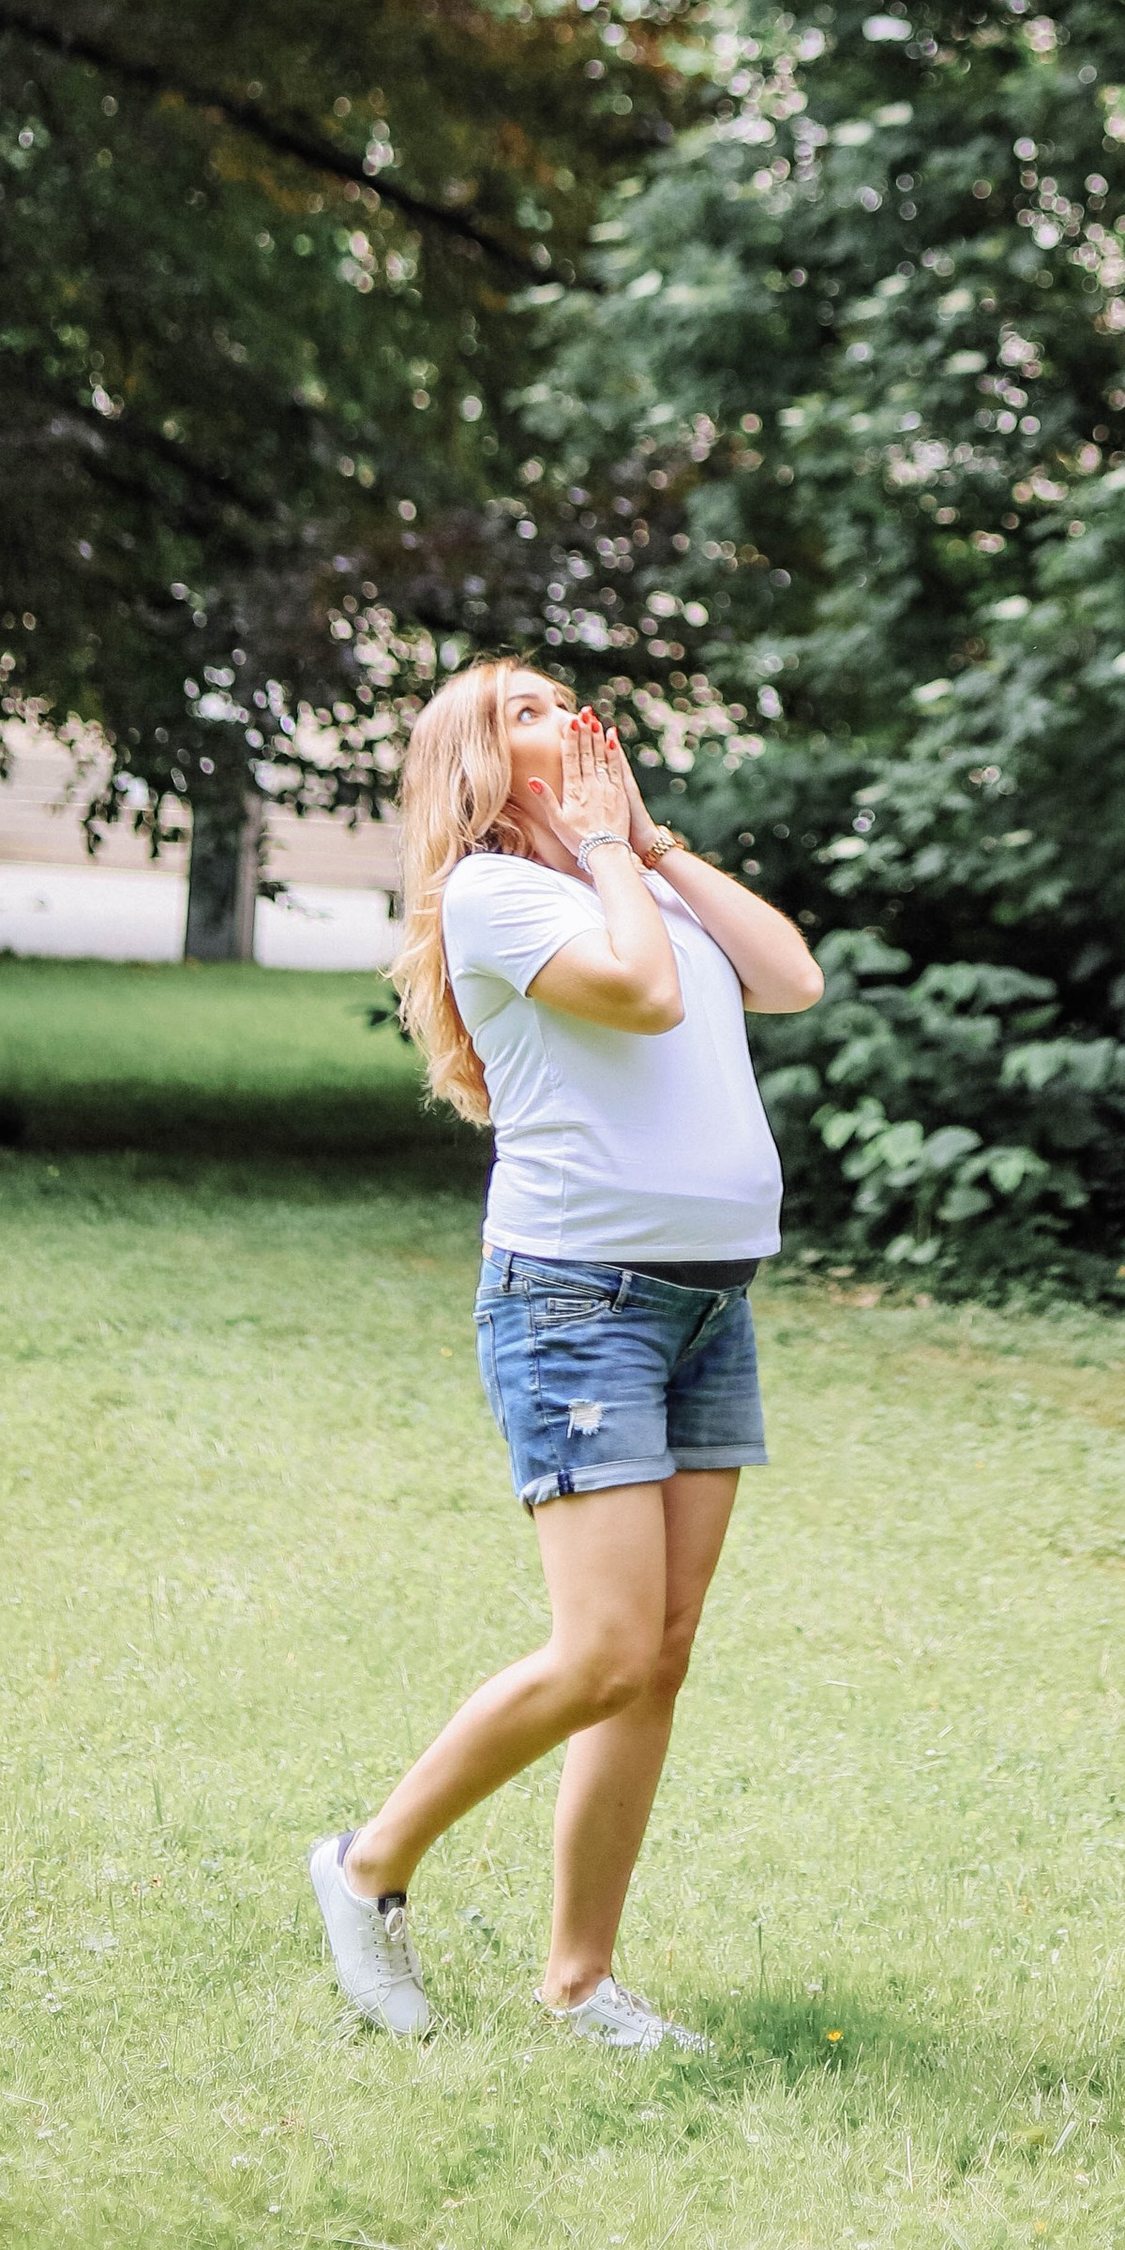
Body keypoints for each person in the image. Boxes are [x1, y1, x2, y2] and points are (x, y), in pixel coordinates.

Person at [307, 660, 822, 2048]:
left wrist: (652, 848)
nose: (568, 717)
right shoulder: (494, 893)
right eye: (525, 711)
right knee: (601, 1652)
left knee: (657, 1657)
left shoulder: (627, 878)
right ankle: (364, 1868)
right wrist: (606, 854)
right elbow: (646, 1003)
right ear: (479, 768)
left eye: (561, 698)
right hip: (578, 1303)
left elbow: (790, 976)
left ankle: (580, 1981)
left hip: (709, 1305)